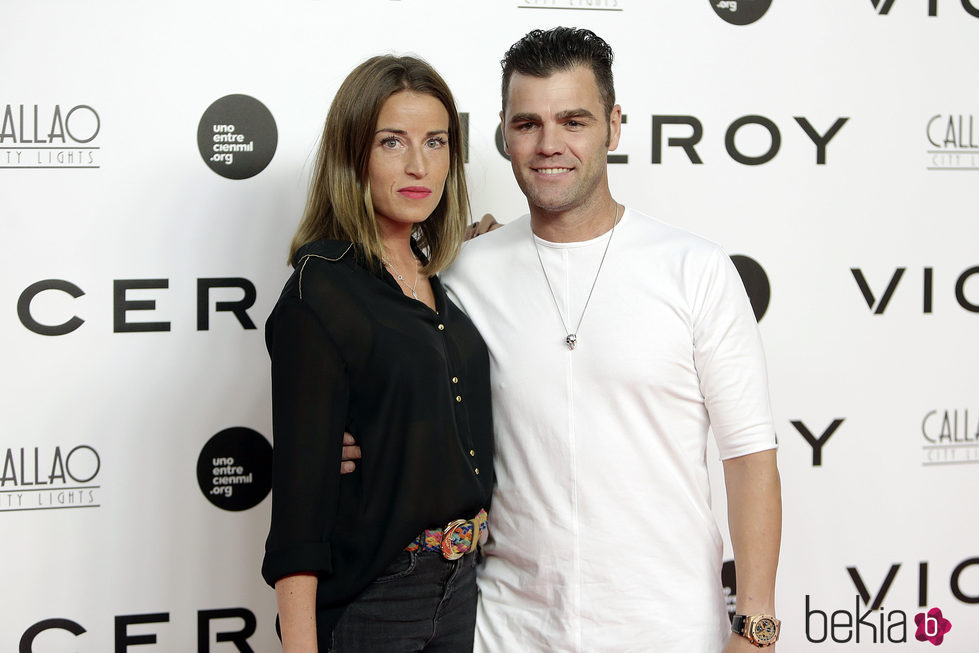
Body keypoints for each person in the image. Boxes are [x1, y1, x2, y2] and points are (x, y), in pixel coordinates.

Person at [343, 28, 782, 652]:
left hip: (670, 628)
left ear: (614, 125)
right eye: (528, 124)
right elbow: (400, 392)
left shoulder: (696, 269)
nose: (550, 145)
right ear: (503, 132)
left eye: (574, 120)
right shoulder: (460, 273)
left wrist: (757, 627)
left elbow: (750, 459)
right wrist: (340, 437)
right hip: (508, 631)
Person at [262, 54, 494, 653]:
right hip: (378, 598)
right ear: (353, 154)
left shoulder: (439, 276)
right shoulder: (323, 289)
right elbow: (298, 513)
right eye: (392, 142)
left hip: (461, 586)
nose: (419, 164)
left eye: (436, 142)